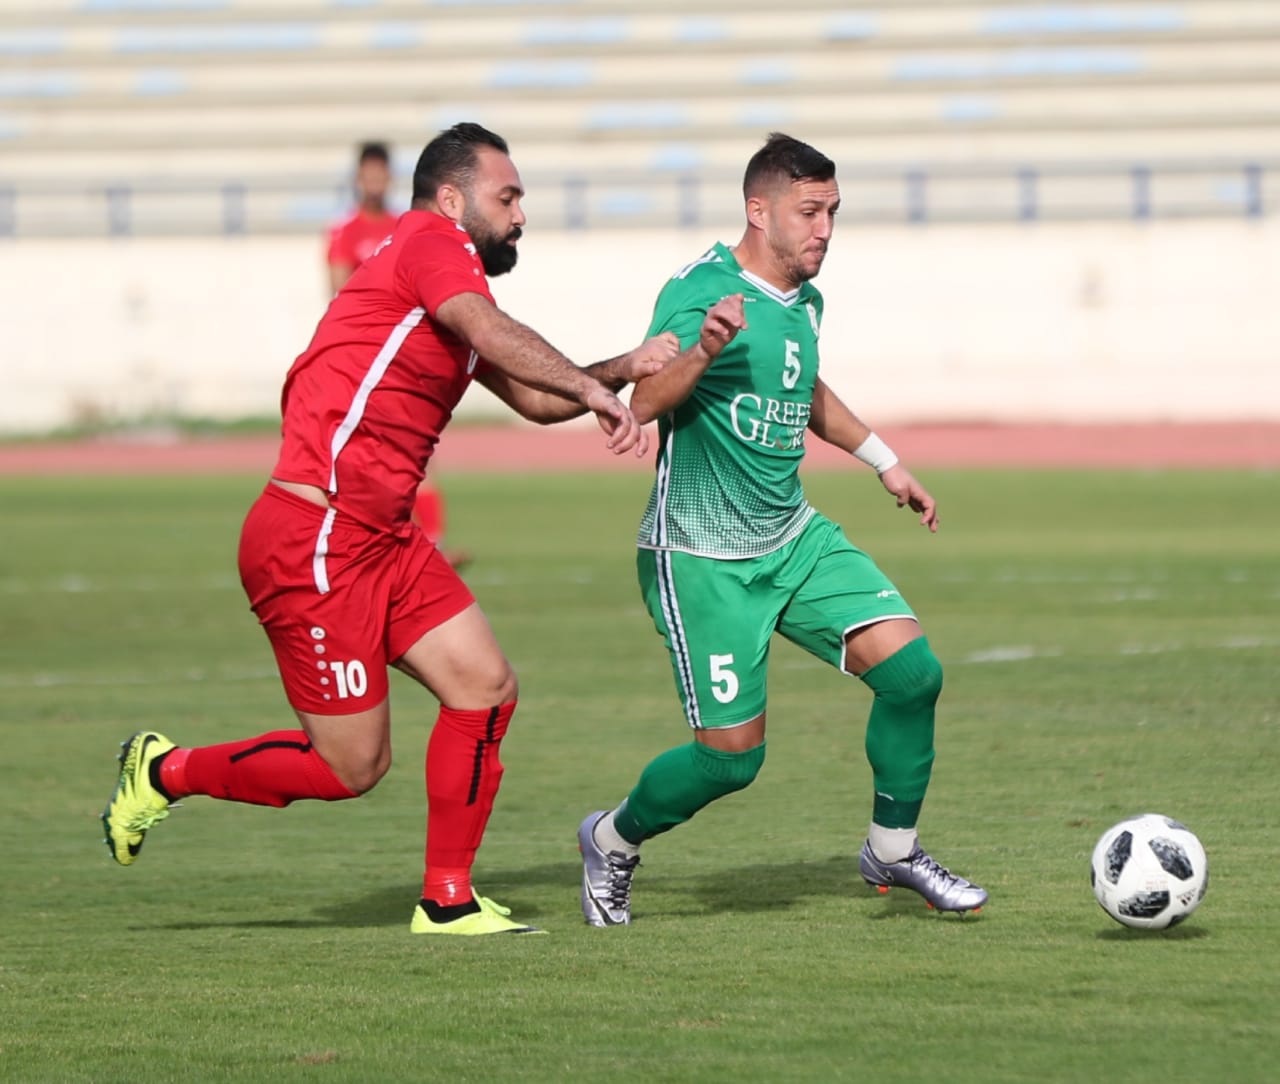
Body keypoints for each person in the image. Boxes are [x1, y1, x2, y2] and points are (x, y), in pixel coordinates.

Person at [101, 122, 678, 936]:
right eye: (507, 197)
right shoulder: (431, 246)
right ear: (452, 199)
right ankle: (164, 771)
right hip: (317, 536)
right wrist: (596, 391)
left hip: (382, 537)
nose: (520, 216)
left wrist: (619, 370)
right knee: (352, 766)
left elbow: (534, 395)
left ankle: (446, 899)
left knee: (484, 687)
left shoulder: (453, 284)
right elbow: (495, 336)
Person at [576, 132, 987, 927]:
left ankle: (892, 851)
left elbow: (802, 383)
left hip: (790, 537)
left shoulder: (804, 300)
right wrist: (702, 349)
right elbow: (644, 401)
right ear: (757, 210)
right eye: (810, 211)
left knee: (914, 675)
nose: (825, 229)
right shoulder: (701, 289)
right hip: (701, 556)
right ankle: (613, 838)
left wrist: (883, 460)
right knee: (731, 764)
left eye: (833, 211)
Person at [324, 141, 468, 566]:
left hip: (404, 358)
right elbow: (339, 295)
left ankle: (431, 547)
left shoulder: (400, 227)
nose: (373, 181)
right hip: (364, 360)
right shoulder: (343, 233)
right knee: (362, 458)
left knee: (419, 454)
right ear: (358, 178)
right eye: (367, 173)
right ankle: (370, 545)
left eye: (379, 173)